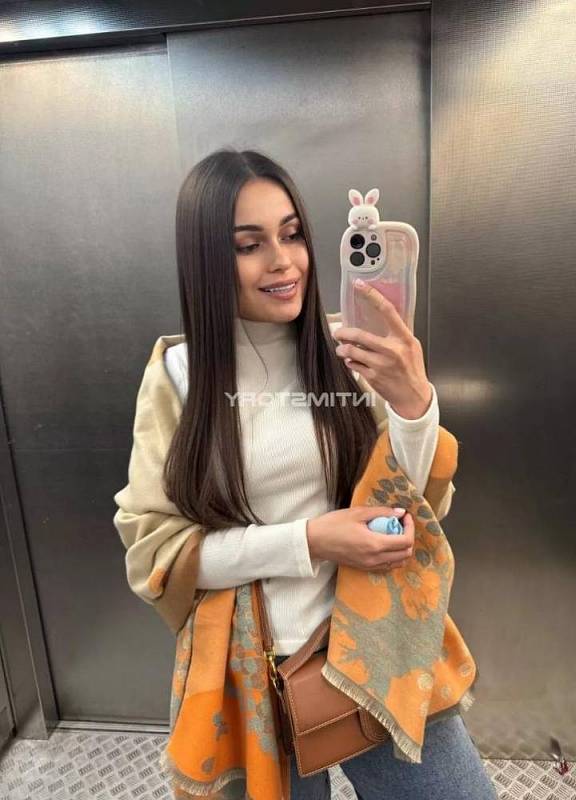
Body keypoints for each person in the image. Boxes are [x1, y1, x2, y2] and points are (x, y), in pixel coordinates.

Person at [133, 147, 498, 799]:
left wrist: (414, 408)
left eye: (292, 234)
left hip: (373, 641)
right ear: (205, 261)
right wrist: (311, 540)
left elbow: (408, 509)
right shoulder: (178, 378)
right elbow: (159, 554)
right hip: (253, 674)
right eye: (249, 245)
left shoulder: (345, 349)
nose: (284, 262)